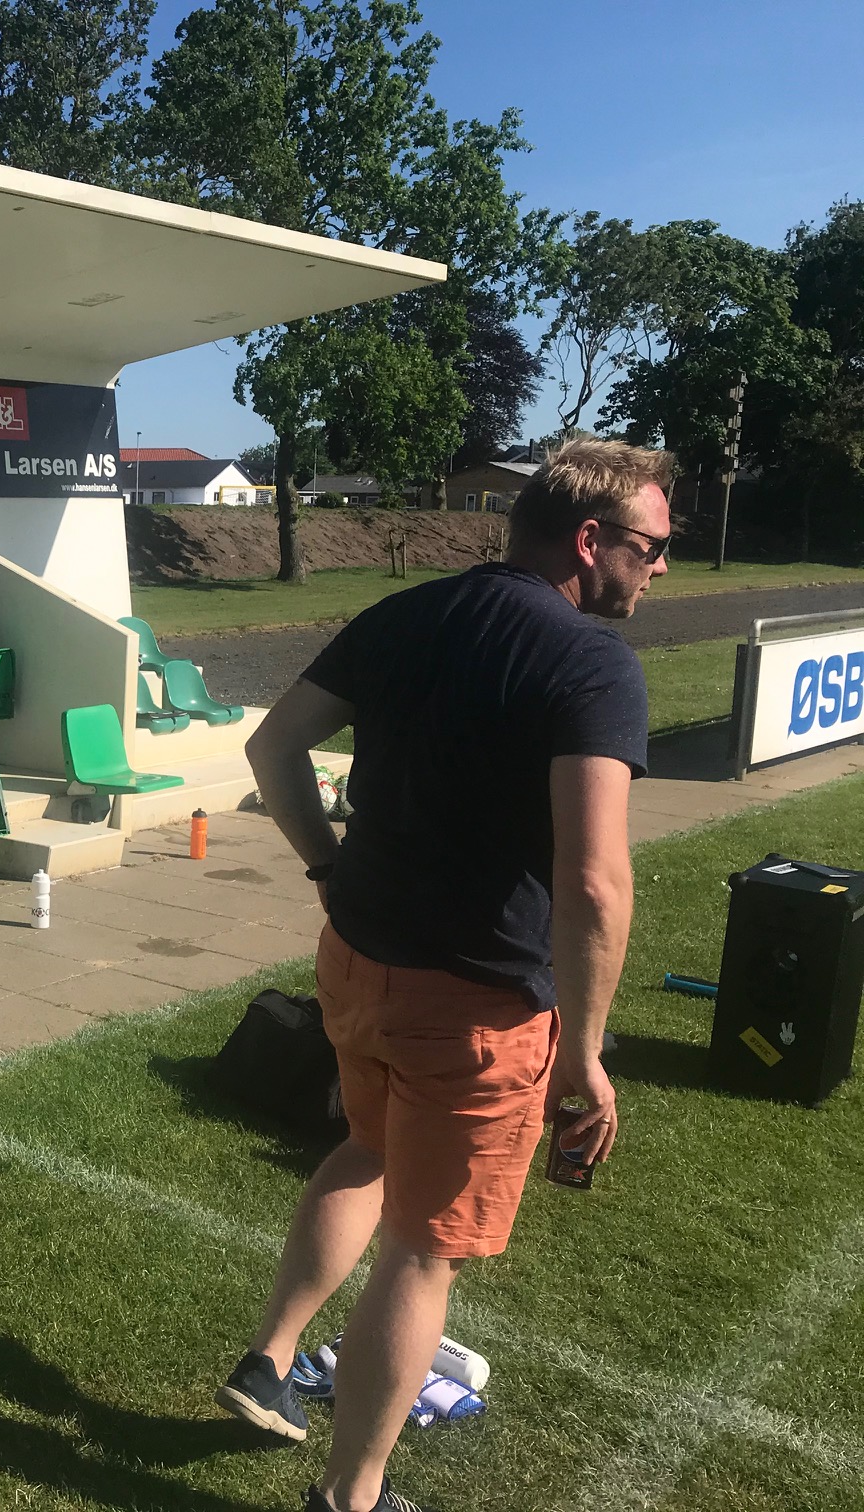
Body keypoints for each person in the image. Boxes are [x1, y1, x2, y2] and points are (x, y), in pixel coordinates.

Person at [217, 440, 671, 1512]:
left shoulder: (408, 612)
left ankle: (270, 1359)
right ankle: (351, 1496)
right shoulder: (591, 660)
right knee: (425, 1255)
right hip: (476, 1003)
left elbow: (273, 749)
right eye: (651, 545)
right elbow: (595, 883)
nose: (660, 566)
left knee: (367, 1150)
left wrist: (326, 867)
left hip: (356, 962)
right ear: (590, 539)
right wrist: (585, 1058)